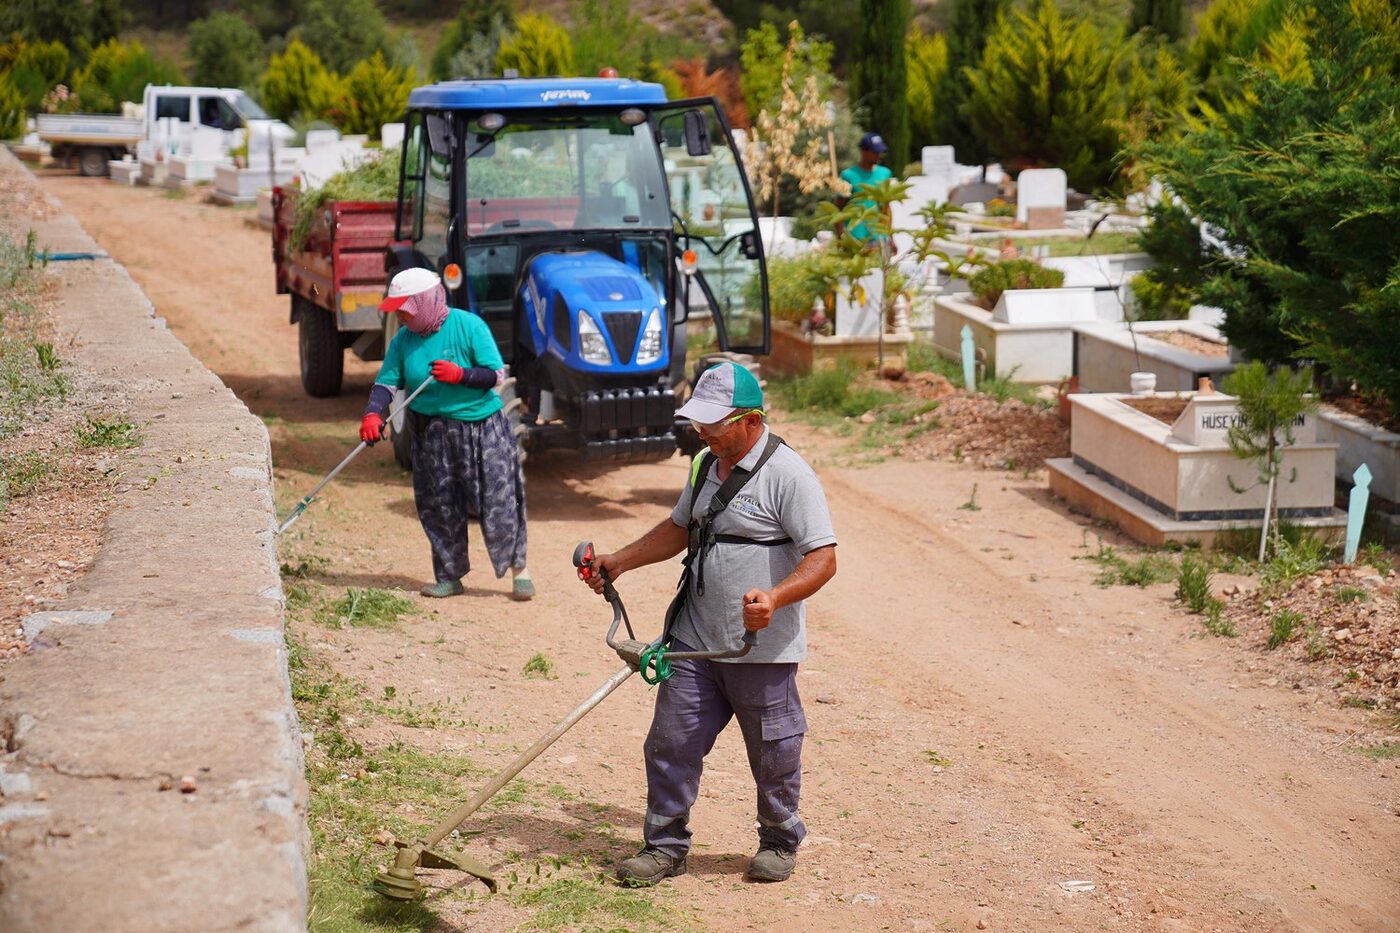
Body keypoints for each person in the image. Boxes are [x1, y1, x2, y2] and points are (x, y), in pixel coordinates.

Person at [579, 362, 838, 886]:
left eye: (714, 425)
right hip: (693, 643)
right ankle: (664, 847)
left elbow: (823, 558)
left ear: (749, 419)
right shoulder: (703, 463)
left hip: (757, 649)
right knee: (671, 741)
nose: (703, 433)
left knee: (774, 750)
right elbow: (681, 528)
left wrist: (775, 597)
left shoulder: (789, 475)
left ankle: (779, 840)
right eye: (700, 423)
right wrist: (621, 559)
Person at [360, 267, 534, 601]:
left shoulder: (469, 326)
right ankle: (449, 575)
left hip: (481, 430)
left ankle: (519, 570)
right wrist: (372, 413)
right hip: (430, 434)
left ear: (426, 301)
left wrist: (461, 375)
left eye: (405, 308)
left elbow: (494, 375)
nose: (399, 315)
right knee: (438, 504)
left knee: (499, 501)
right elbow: (386, 382)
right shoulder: (403, 340)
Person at [835, 131, 894, 248]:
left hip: (880, 238)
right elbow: (838, 208)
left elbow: (886, 209)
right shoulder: (847, 176)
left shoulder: (885, 174)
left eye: (879, 152)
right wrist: (840, 237)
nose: (878, 155)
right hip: (855, 239)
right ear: (863, 151)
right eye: (874, 152)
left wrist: (891, 238)